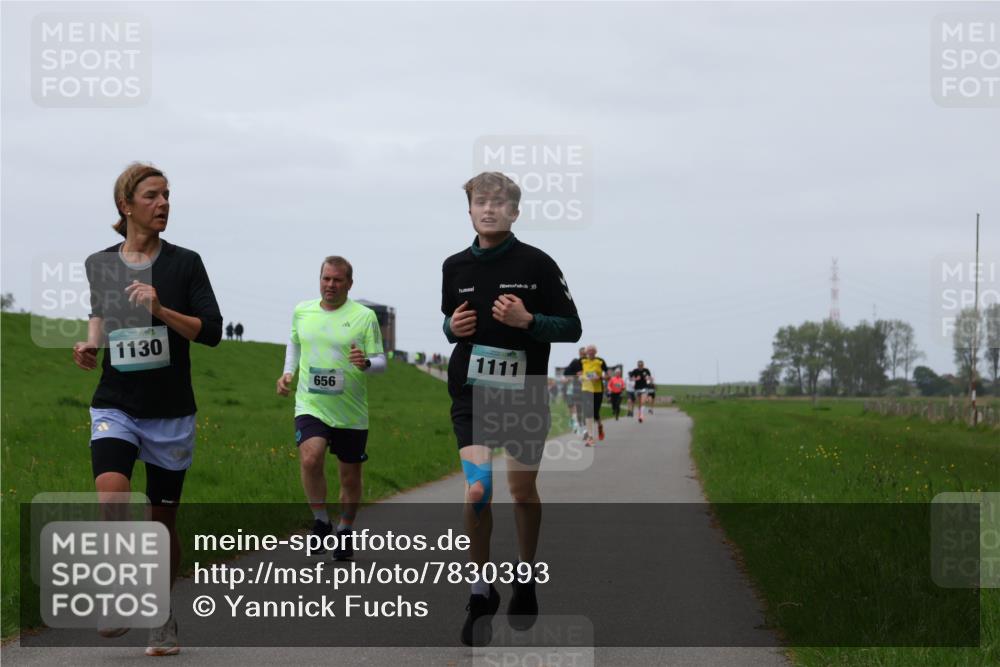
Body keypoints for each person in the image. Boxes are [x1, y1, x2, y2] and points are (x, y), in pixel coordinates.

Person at [72, 162, 222, 656]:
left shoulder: (186, 263)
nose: (163, 204)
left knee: (161, 523)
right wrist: (90, 344)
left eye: (167, 196)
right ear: (126, 206)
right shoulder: (101, 262)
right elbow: (99, 312)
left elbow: (211, 332)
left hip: (171, 410)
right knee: (111, 497)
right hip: (116, 401)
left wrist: (161, 311)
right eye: (153, 196)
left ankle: (162, 612)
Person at [442, 172, 581, 646]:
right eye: (480, 202)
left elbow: (572, 327)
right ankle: (481, 590)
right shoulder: (453, 266)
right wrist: (449, 327)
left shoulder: (538, 263)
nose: (489, 210)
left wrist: (529, 320)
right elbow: (450, 321)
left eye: (499, 203)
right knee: (478, 489)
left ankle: (525, 574)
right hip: (472, 393)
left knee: (522, 491)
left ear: (514, 212)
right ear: (470, 210)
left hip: (523, 394)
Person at [277, 256, 385, 561]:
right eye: (326, 278)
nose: (331, 285)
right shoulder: (303, 310)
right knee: (311, 457)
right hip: (311, 403)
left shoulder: (364, 317)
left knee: (350, 477)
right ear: (319, 279)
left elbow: (380, 362)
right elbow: (294, 343)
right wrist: (288, 373)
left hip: (350, 411)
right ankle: (321, 521)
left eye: (338, 280)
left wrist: (364, 363)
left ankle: (346, 528)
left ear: (349, 283)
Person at [580, 345, 608, 445]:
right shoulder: (582, 361)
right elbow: (575, 372)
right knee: (588, 412)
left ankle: (600, 426)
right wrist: (580, 375)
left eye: (593, 351)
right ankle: (591, 437)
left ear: (595, 352)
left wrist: (600, 378)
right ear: (586, 352)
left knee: (595, 413)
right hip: (586, 389)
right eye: (589, 351)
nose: (591, 352)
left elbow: (607, 375)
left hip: (597, 390)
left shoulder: (600, 361)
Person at [563, 347, 586, 434]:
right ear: (579, 354)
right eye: (582, 354)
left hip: (581, 390)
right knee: (571, 409)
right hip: (570, 391)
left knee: (577, 408)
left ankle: (578, 424)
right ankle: (574, 423)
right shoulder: (574, 363)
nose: (583, 356)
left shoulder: (586, 364)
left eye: (585, 354)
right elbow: (566, 377)